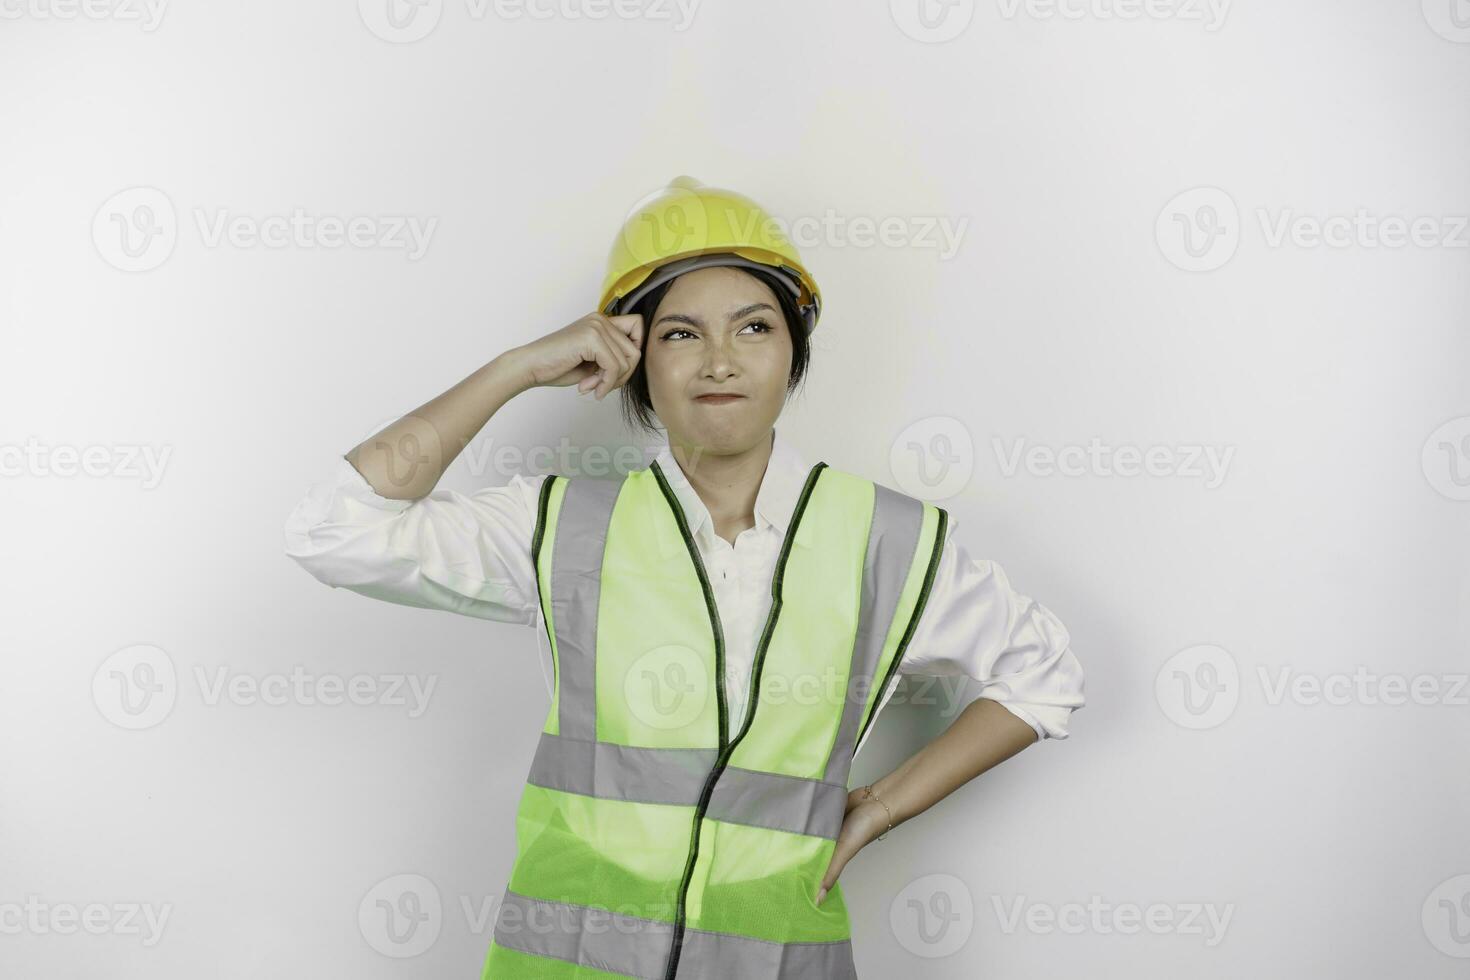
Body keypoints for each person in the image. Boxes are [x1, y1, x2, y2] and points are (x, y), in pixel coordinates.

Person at [283, 176, 1085, 979]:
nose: (720, 362)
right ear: (630, 357)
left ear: (794, 348)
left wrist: (877, 809)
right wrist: (517, 368)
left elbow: (1044, 675)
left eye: (754, 327)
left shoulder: (885, 540)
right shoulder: (562, 528)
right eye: (680, 335)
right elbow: (334, 530)